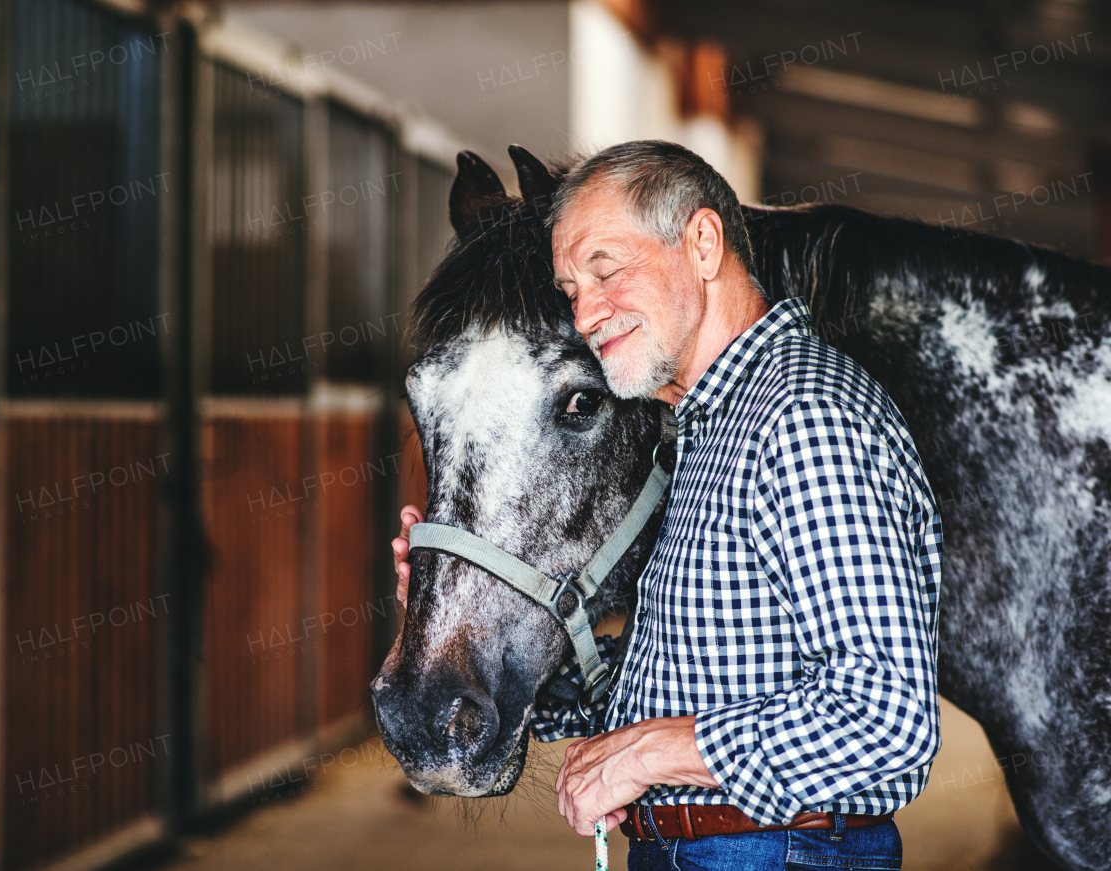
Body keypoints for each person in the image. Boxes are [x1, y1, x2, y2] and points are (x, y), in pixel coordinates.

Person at [391, 140, 941, 870]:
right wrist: (485, 629)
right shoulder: (710, 426)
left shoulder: (803, 418)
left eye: (605, 270)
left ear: (704, 244)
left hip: (778, 851)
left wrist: (652, 752)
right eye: (571, 289)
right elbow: (698, 675)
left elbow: (885, 715)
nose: (587, 313)